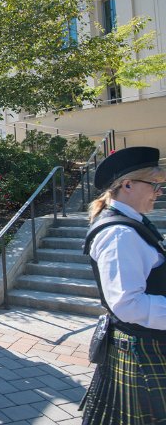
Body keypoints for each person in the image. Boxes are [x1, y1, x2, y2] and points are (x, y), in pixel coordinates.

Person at [79, 147, 166, 424]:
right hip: (142, 346)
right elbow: (127, 304)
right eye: (154, 184)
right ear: (127, 185)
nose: (159, 192)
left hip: (147, 343)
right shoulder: (119, 234)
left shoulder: (132, 224)